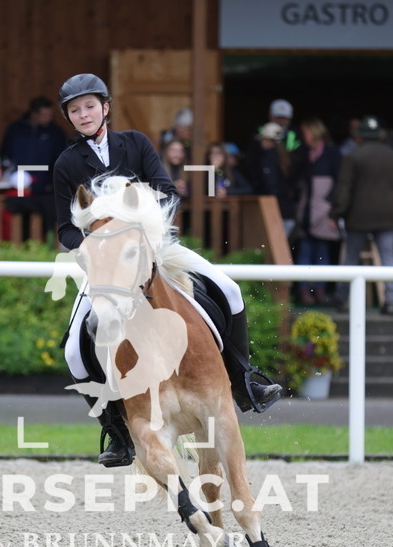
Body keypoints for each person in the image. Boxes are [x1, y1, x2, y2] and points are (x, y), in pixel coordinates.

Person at [52, 73, 282, 468]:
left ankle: (245, 382)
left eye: (89, 106)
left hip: (156, 251)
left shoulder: (136, 143)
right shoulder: (67, 163)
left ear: (105, 107)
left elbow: (168, 191)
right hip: (108, 263)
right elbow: (65, 229)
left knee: (228, 288)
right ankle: (117, 428)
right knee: (75, 348)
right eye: (75, 110)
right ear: (69, 118)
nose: (83, 114)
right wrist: (96, 245)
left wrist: (141, 224)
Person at [330, 115, 393, 316]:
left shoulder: (353, 156)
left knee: (351, 258)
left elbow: (343, 190)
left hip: (359, 216)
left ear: (360, 136)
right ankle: (390, 301)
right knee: (388, 258)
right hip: (388, 214)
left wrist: (336, 214)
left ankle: (341, 298)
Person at [293, 118, 343, 306]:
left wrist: (332, 210)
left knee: (322, 253)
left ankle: (320, 292)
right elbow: (295, 180)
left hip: (325, 210)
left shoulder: (332, 153)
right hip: (305, 211)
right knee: (304, 253)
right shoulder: (303, 153)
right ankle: (305, 291)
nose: (303, 136)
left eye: (306, 132)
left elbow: (340, 183)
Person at [0, 96, 66, 232]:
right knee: (18, 222)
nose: (48, 118)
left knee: (44, 224)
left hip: (44, 188)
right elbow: (5, 155)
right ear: (33, 113)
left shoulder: (56, 133)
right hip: (17, 185)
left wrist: (51, 182)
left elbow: (61, 160)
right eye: (44, 115)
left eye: (50, 115)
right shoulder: (15, 130)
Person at [245, 122, 294, 237]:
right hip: (287, 210)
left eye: (263, 139)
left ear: (268, 140)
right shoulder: (283, 156)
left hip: (277, 211)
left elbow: (270, 185)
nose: (261, 142)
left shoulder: (268, 158)